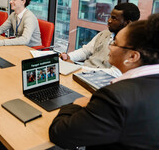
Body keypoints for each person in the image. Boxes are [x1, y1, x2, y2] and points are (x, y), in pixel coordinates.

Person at [49, 13, 159, 149]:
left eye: (115, 43)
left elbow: (60, 134)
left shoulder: (116, 98)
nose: (109, 47)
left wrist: (75, 105)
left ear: (132, 56)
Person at [60, 2, 140, 77]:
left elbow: (115, 73)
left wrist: (77, 68)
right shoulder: (104, 34)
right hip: (82, 73)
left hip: (97, 80)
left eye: (114, 18)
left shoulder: (131, 46)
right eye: (110, 17)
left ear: (128, 23)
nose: (109, 20)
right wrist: (68, 57)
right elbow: (85, 51)